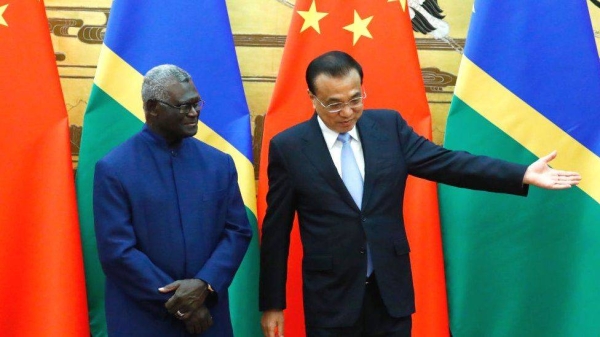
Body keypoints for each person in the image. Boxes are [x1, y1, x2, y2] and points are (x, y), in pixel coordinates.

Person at [258, 51, 581, 337]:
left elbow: (448, 163)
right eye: (334, 104)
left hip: (390, 292)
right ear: (312, 98)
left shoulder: (388, 127)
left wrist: (521, 173)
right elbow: (276, 232)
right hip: (331, 298)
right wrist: (272, 304)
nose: (346, 112)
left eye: (355, 99)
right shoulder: (290, 147)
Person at [93, 64, 252, 336]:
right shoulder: (114, 169)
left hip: (208, 318)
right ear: (153, 107)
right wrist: (182, 304)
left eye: (196, 102)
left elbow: (237, 230)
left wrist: (205, 284)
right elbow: (117, 252)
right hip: (144, 320)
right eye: (183, 106)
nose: (194, 112)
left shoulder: (219, 164)